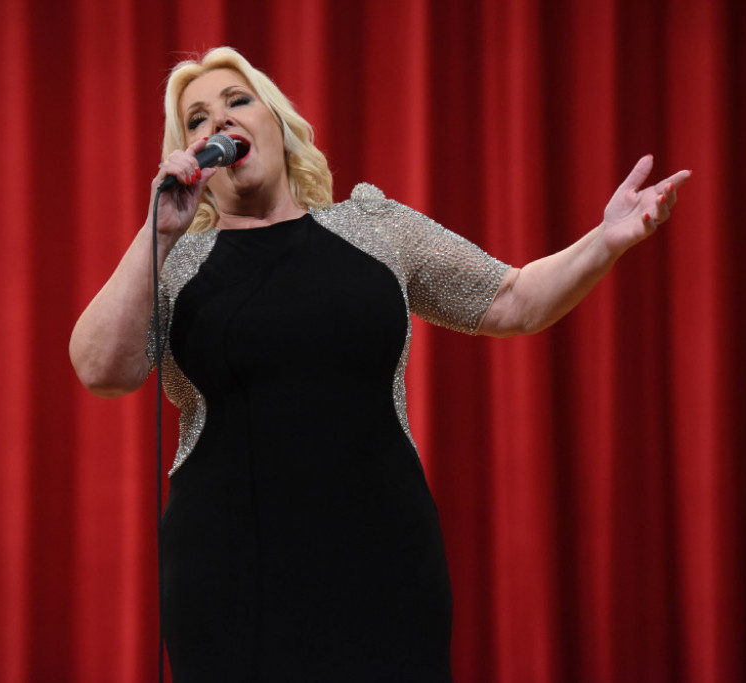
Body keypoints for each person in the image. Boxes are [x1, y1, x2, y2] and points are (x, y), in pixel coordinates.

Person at [69, 46, 690, 682]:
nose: (218, 122)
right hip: (226, 570)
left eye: (237, 101)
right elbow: (100, 368)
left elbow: (512, 299)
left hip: (381, 556)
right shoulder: (174, 263)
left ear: (277, 124)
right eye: (196, 119)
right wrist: (159, 233)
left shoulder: (374, 227)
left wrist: (605, 240)